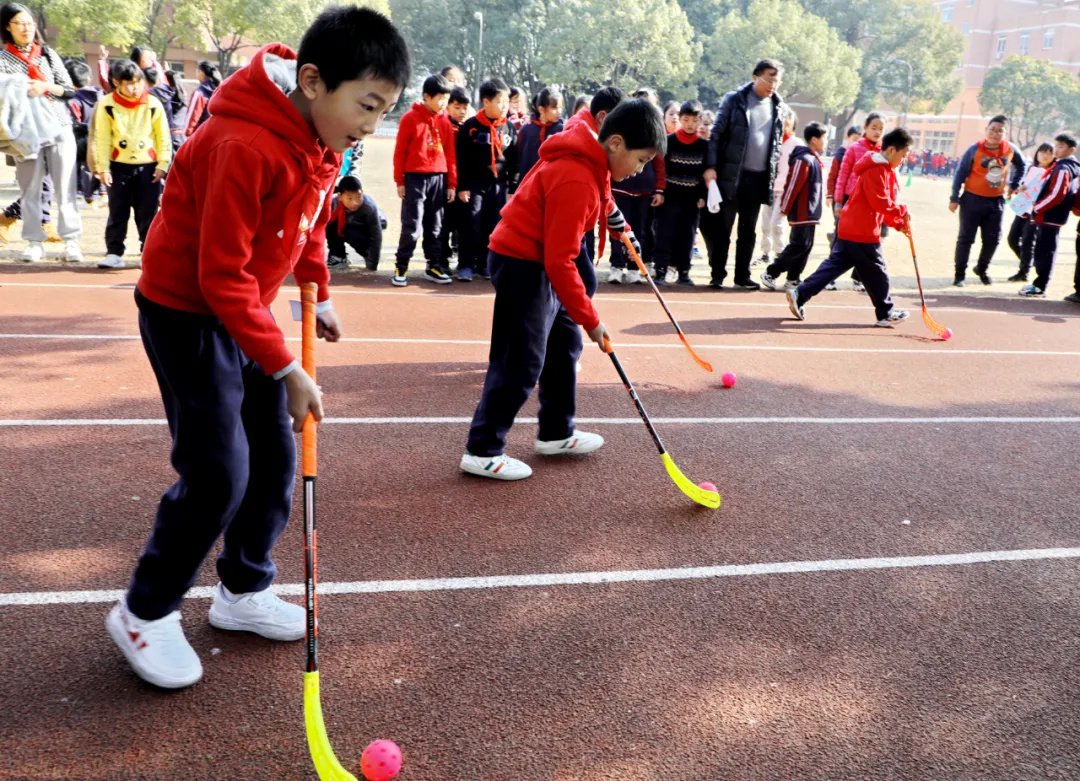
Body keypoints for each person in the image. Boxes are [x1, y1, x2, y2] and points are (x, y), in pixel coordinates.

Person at [105, 6, 409, 690]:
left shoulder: (323, 142)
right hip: (188, 312)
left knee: (275, 453)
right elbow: (218, 275)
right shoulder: (243, 143)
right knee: (218, 472)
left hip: (244, 309)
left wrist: (318, 290)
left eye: (384, 108)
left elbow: (306, 225)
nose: (372, 123)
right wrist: (286, 364)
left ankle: (242, 587)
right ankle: (143, 610)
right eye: (367, 104)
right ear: (311, 81)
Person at [460, 99, 666, 481]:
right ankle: (483, 449)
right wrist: (594, 321)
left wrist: (620, 229)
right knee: (521, 360)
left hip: (540, 262)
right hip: (523, 263)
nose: (639, 171)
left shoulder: (595, 162)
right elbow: (560, 261)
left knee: (564, 343)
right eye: (641, 160)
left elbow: (603, 200)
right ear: (617, 143)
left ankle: (556, 431)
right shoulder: (576, 176)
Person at [786, 127, 913, 328]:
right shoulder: (878, 169)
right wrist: (902, 211)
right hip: (862, 231)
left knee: (835, 265)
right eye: (903, 155)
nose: (904, 160)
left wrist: (898, 223)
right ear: (891, 150)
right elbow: (880, 203)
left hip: (852, 226)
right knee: (877, 273)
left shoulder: (881, 168)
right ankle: (885, 313)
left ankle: (800, 293)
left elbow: (881, 206)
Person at [0, 2, 82, 262]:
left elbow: (69, 90)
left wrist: (45, 85)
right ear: (7, 27)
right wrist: (18, 89)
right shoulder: (2, 60)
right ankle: (34, 242)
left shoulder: (46, 54)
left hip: (59, 127)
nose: (26, 28)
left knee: (65, 187)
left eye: (29, 23)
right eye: (20, 23)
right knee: (30, 189)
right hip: (25, 135)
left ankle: (72, 241)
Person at [703, 58, 788, 290]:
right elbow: (716, 135)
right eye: (769, 79)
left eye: (777, 81)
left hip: (758, 179)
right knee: (723, 228)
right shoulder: (735, 100)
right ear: (755, 77)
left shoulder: (779, 106)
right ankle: (717, 274)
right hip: (731, 176)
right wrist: (710, 167)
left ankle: (742, 276)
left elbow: (776, 145)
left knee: (748, 231)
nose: (773, 85)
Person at [91, 59, 172, 269]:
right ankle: (114, 252)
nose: (135, 88)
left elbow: (163, 135)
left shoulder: (153, 104)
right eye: (129, 83)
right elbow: (102, 138)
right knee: (118, 210)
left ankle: (148, 252)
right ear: (117, 83)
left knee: (148, 212)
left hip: (149, 166)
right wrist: (103, 167)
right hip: (118, 166)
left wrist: (162, 163)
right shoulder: (107, 105)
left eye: (138, 82)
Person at [391, 72, 456, 286]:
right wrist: (400, 180)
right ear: (427, 97)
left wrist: (451, 183)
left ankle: (434, 265)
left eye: (447, 99)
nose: (444, 103)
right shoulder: (410, 119)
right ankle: (402, 266)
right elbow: (400, 151)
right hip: (415, 178)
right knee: (412, 224)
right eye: (440, 98)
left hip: (438, 177)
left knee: (435, 225)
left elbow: (450, 154)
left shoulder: (445, 122)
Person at [949, 115, 1025, 286]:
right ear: (986, 131)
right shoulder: (974, 149)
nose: (995, 134)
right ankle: (959, 274)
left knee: (993, 239)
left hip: (995, 201)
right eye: (992, 130)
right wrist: (954, 198)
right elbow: (960, 174)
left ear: (1005, 133)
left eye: (1000, 131)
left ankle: (982, 268)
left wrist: (1014, 184)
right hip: (971, 199)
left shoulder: (1010, 149)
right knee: (966, 238)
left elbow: (1022, 166)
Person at [455, 77, 518, 281]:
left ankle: (485, 264)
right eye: (500, 102)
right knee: (471, 222)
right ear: (486, 102)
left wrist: (512, 188)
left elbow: (514, 160)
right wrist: (463, 186)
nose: (504, 106)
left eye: (507, 102)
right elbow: (461, 159)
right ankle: (466, 264)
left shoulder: (509, 127)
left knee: (493, 225)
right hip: (475, 184)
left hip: (499, 186)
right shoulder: (471, 127)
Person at [760, 121, 827, 290]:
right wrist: (785, 207)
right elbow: (792, 185)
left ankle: (793, 278)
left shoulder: (814, 159)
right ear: (814, 139)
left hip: (811, 213)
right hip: (802, 212)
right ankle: (770, 273)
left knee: (806, 246)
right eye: (823, 138)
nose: (825, 142)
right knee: (798, 245)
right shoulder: (803, 159)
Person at [652, 100, 707, 286]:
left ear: (700, 121)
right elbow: (661, 168)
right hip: (670, 198)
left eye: (694, 120)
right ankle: (660, 270)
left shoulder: (704, 145)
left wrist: (702, 196)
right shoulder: (670, 141)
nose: (690, 124)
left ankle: (684, 272)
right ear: (680, 120)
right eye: (686, 119)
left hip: (691, 201)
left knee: (687, 236)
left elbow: (704, 173)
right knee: (664, 234)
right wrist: (660, 192)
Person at [1019, 133, 1079, 298]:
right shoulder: (1067, 166)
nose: (1056, 150)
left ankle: (1040, 286)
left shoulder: (1063, 168)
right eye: (1056, 146)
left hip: (1050, 217)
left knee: (1044, 251)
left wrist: (1037, 208)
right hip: (1052, 216)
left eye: (1061, 147)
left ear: (1071, 149)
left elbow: (1057, 194)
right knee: (1045, 250)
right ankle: (1040, 284)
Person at [833, 113, 886, 292]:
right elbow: (843, 175)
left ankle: (858, 277)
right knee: (842, 238)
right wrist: (838, 201)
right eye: (874, 127)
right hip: (851, 200)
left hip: (872, 203)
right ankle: (830, 277)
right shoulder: (854, 148)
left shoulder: (884, 151)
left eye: (881, 129)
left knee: (867, 241)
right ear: (865, 128)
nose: (877, 132)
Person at [756, 107, 799, 266]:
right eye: (783, 117)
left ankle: (780, 254)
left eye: (789, 117)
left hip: (785, 189)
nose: (786, 121)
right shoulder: (773, 141)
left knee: (777, 223)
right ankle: (765, 253)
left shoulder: (796, 143)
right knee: (765, 223)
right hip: (769, 188)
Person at [1005, 142, 1053, 283]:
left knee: (1027, 242)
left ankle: (1023, 271)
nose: (1045, 156)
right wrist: (1018, 189)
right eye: (1042, 152)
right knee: (1012, 239)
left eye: (1049, 153)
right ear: (1037, 153)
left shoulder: (1052, 172)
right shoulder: (1032, 168)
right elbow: (1025, 184)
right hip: (1022, 209)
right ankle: (1027, 262)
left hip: (1035, 211)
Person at [439, 86, 470, 267]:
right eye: (457, 107)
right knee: (444, 223)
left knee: (463, 224)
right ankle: (441, 259)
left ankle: (464, 261)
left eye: (464, 107)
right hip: (444, 182)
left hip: (463, 183)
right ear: (448, 106)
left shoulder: (469, 128)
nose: (461, 111)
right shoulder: (442, 126)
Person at [326, 175, 384, 270]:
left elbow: (377, 235)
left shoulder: (368, 207)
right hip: (346, 223)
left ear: (362, 193)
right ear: (340, 196)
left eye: (358, 197)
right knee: (330, 226)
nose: (355, 203)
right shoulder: (331, 203)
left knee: (354, 235)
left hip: (365, 226)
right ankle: (338, 257)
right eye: (349, 198)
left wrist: (372, 265)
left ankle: (367, 254)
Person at [516, 86, 564, 182]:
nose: (559, 112)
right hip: (527, 184)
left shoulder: (562, 130)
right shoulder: (526, 130)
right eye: (554, 108)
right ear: (541, 109)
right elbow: (518, 159)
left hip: (553, 182)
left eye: (560, 108)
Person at [185, 60, 221, 138]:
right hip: (217, 136)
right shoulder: (219, 90)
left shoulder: (199, 93)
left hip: (200, 136)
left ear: (201, 72)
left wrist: (187, 135)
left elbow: (192, 118)